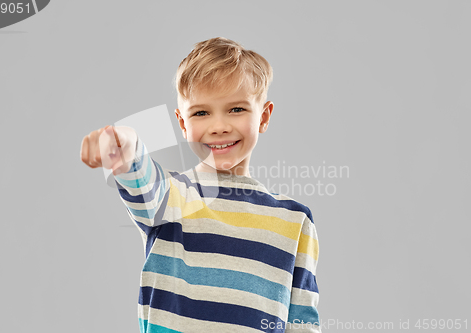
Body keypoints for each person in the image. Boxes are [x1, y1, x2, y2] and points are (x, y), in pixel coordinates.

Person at [80, 37, 321, 332]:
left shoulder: (295, 220)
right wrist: (125, 144)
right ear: (183, 124)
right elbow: (139, 176)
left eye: (236, 109)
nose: (218, 126)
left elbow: (302, 323)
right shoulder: (170, 196)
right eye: (201, 113)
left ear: (264, 116)